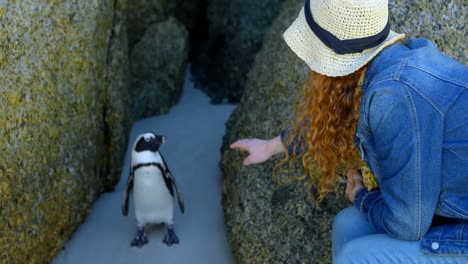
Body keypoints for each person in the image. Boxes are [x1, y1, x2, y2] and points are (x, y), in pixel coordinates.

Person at [230, 0, 468, 262]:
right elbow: (337, 116)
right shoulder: (393, 60)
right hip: (451, 210)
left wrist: (361, 197)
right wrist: (272, 145)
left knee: (356, 256)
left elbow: (407, 224)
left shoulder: (393, 95)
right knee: (347, 224)